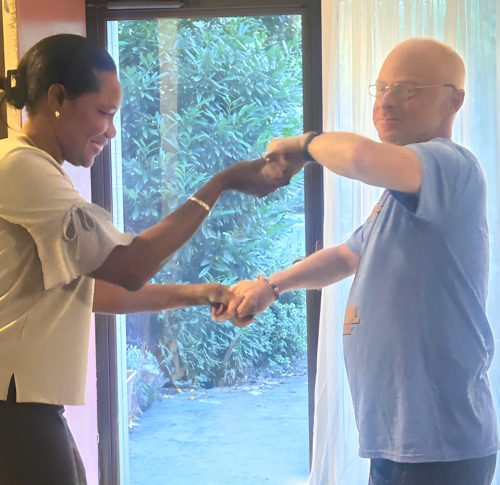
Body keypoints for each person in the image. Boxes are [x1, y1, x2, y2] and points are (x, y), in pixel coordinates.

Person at [0, 34, 302, 485]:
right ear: (57, 97)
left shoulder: (35, 170)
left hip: (28, 407)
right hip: (16, 409)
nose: (111, 132)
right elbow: (130, 265)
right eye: (103, 113)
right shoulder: (20, 167)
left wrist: (203, 293)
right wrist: (219, 184)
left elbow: (97, 290)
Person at [215, 38, 499, 485]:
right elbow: (348, 254)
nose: (386, 101)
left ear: (454, 99)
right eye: (381, 88)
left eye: (407, 89)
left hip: (439, 444)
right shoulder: (401, 197)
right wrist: (270, 286)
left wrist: (302, 145)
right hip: (399, 439)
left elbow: (360, 157)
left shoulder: (450, 164)